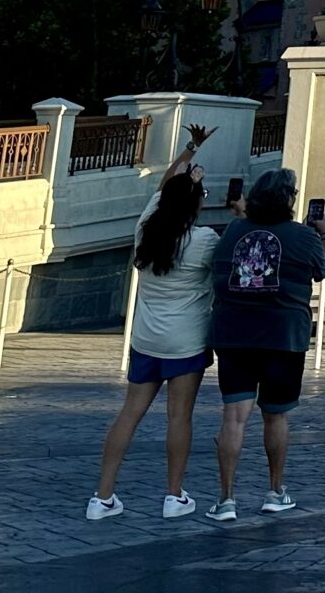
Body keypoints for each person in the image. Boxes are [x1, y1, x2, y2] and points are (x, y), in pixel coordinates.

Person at [87, 124, 218, 521]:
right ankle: (173, 495)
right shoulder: (205, 241)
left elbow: (164, 189)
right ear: (196, 205)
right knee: (180, 417)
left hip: (145, 338)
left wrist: (188, 153)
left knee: (128, 414)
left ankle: (102, 495)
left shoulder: (146, 230)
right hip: (187, 341)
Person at [205, 168, 325, 520]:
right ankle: (275, 490)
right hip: (283, 335)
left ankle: (226, 498)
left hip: (234, 333)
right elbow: (323, 268)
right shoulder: (302, 235)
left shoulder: (234, 231)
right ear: (289, 199)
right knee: (276, 416)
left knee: (234, 417)